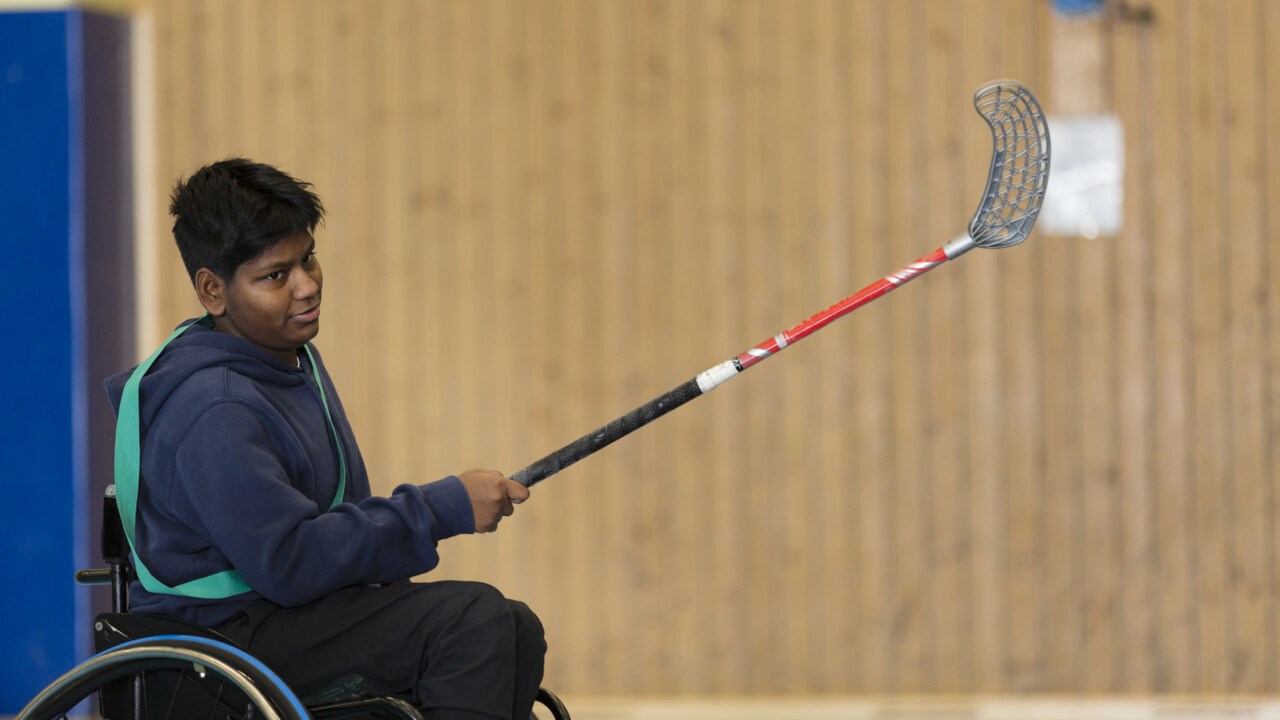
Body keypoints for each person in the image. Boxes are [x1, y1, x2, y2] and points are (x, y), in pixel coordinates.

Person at [104, 158, 545, 719]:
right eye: (275, 275)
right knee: (472, 621)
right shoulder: (215, 406)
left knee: (515, 627)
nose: (307, 285)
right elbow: (289, 563)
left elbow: (329, 535)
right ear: (213, 290)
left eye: (307, 257)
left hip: (281, 611)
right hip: (221, 642)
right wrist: (441, 508)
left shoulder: (288, 360)